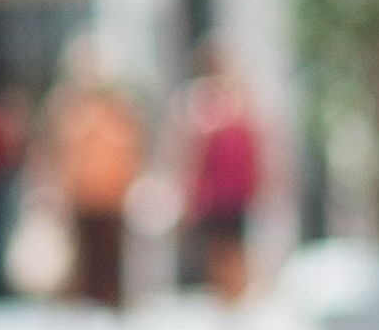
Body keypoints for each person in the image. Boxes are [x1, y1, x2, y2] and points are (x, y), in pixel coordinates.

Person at [44, 42, 148, 311]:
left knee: (112, 260)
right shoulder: (69, 109)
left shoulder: (120, 110)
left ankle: (113, 306)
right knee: (82, 261)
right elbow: (60, 155)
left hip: (113, 197)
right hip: (81, 198)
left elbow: (132, 151)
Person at [169, 41, 269, 303]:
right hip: (213, 193)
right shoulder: (198, 102)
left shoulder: (240, 100)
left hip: (236, 191)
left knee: (235, 248)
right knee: (217, 250)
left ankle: (238, 299)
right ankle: (227, 300)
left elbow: (254, 145)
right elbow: (191, 151)